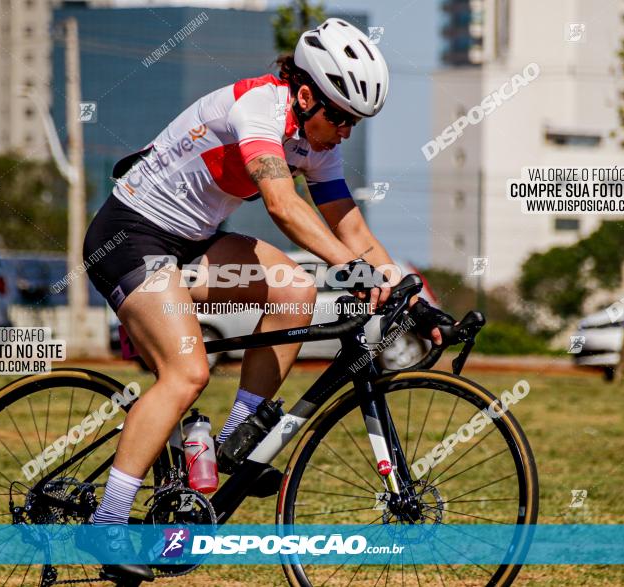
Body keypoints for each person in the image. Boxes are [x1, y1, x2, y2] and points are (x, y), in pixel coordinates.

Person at [81, 18, 442, 581]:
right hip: (130, 238)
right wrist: (349, 269)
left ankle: (232, 441)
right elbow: (281, 206)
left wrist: (408, 289)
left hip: (192, 246)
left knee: (295, 287)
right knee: (187, 372)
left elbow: (351, 227)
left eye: (355, 122)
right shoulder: (258, 109)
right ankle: (107, 523)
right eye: (341, 117)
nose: (345, 132)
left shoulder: (315, 143)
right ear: (305, 95)